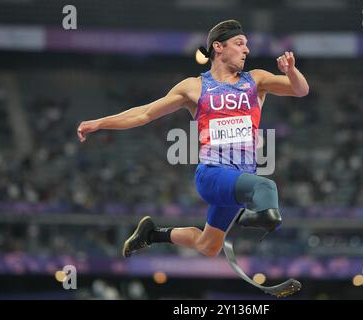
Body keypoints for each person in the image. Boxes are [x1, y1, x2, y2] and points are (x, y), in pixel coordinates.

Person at [77, 20, 309, 259]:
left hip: (239, 179)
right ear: (218, 47)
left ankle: (152, 234)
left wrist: (291, 71)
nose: (246, 50)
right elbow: (144, 113)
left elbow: (300, 90)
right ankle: (255, 214)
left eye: (246, 45)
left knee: (208, 246)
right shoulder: (194, 87)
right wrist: (100, 123)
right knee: (265, 187)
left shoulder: (256, 80)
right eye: (239, 43)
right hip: (212, 175)